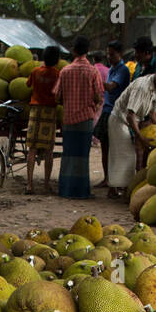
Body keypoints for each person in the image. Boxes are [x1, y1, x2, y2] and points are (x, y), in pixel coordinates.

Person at [107, 63, 156, 200]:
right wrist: (140, 137)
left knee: (127, 156)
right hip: (119, 119)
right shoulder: (142, 87)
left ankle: (122, 189)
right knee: (124, 155)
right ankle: (114, 189)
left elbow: (153, 113)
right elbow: (130, 115)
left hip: (130, 121)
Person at [54, 36, 103, 199]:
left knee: (68, 155)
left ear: (74, 51)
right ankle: (81, 191)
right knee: (82, 156)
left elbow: (57, 96)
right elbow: (99, 96)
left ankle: (66, 190)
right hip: (85, 119)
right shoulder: (93, 71)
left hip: (68, 119)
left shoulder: (65, 71)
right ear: (88, 51)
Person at [23, 45, 61, 194]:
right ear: (57, 60)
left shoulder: (35, 71)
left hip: (35, 111)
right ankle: (46, 184)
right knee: (48, 150)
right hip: (49, 112)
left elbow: (27, 85)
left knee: (32, 148)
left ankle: (29, 185)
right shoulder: (58, 74)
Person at [95, 40, 131, 186]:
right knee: (105, 147)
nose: (109, 57)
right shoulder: (111, 69)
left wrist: (94, 78)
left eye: (112, 54)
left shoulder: (123, 70)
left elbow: (110, 87)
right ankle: (107, 178)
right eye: (108, 55)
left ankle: (114, 181)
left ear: (120, 54)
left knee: (114, 149)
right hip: (106, 109)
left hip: (116, 112)